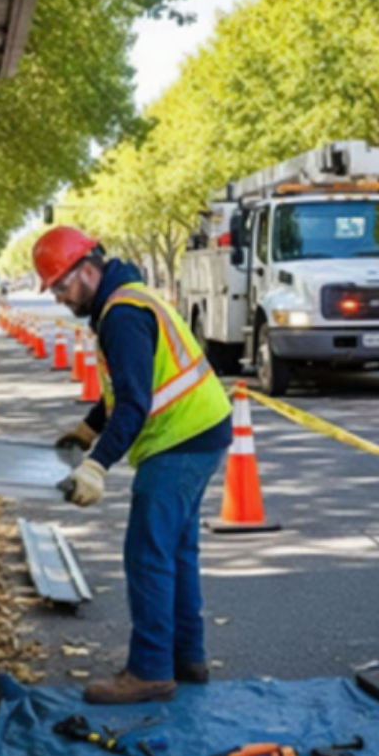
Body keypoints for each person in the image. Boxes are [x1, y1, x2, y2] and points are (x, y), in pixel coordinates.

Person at [34, 226, 232, 704]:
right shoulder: (127, 299)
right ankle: (186, 658)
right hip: (201, 429)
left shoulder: (122, 315)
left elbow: (134, 403)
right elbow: (124, 388)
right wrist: (88, 429)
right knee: (176, 552)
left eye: (61, 286)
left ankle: (150, 671)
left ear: (87, 269)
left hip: (180, 438)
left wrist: (96, 465)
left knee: (147, 554)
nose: (59, 298)